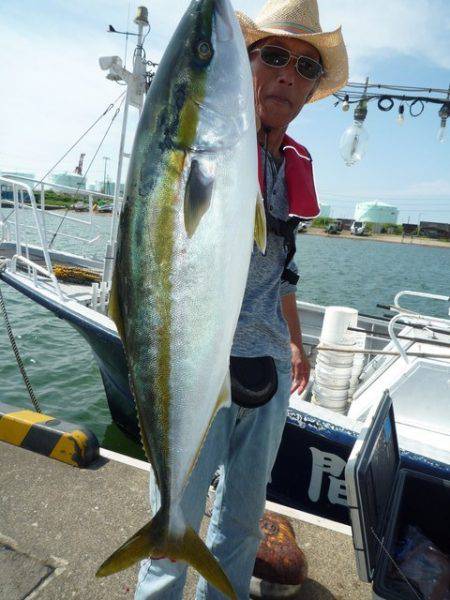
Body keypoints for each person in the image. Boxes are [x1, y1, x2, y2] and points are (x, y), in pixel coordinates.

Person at [135, 0, 348, 598]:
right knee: (168, 541)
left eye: (305, 67)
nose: (287, 73)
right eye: (274, 55)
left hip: (269, 368)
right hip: (196, 365)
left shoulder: (293, 165)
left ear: (311, 91)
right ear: (243, 65)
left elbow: (283, 270)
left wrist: (297, 345)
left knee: (239, 528)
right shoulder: (214, 149)